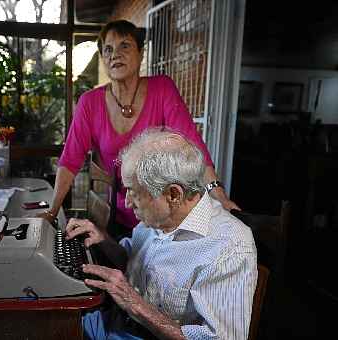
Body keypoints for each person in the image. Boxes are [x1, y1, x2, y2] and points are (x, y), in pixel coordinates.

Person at [39, 19, 238, 237]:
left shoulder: (162, 88)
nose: (115, 54)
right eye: (108, 49)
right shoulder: (89, 102)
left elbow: (192, 145)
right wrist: (52, 211)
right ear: (103, 59)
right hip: (120, 216)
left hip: (167, 215)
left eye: (125, 45)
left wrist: (218, 195)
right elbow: (70, 161)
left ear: (141, 53)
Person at [66, 128, 257, 340]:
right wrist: (104, 240)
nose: (127, 203)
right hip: (117, 321)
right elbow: (133, 258)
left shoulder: (229, 247)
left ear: (173, 194)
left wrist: (135, 304)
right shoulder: (159, 215)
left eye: (134, 193)